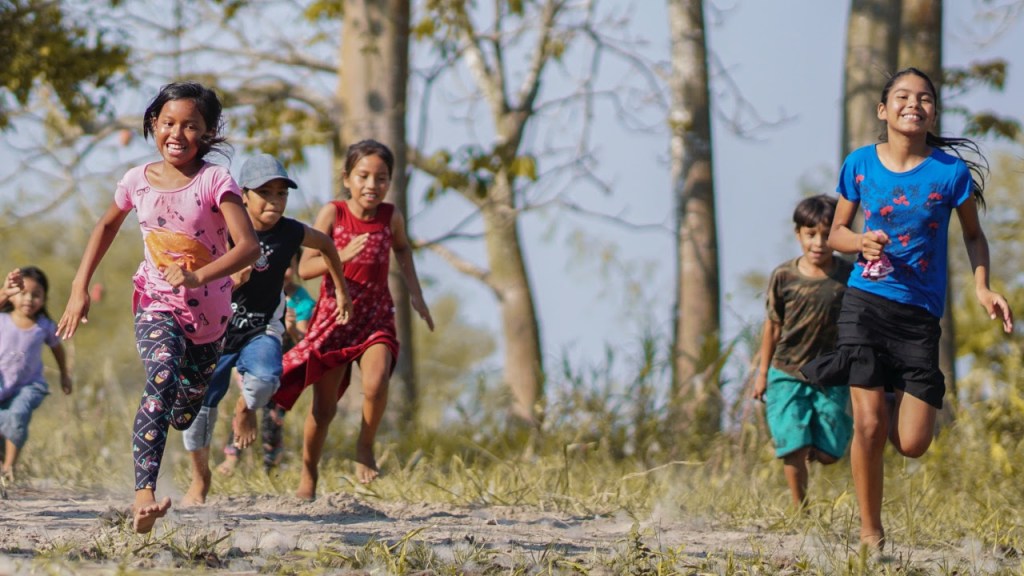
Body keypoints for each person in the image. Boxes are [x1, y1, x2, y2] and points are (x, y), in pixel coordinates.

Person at [800, 67, 1013, 550]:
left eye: (924, 97)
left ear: (934, 112)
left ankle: (889, 390)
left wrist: (983, 288)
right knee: (869, 426)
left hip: (919, 317)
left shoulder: (950, 174)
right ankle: (871, 534)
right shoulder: (859, 164)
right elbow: (836, 234)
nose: (913, 103)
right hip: (866, 304)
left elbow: (974, 237)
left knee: (913, 443)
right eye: (902, 96)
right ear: (883, 109)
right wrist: (860, 241)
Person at [57, 81, 260, 533]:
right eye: (168, 123)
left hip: (209, 318)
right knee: (161, 375)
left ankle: (184, 420)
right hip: (156, 302)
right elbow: (105, 226)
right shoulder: (135, 181)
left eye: (191, 126)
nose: (177, 133)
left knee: (185, 410)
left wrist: (197, 276)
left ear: (207, 133)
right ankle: (144, 497)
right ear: (153, 125)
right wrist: (79, 285)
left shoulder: (215, 181)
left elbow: (247, 248)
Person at [180, 153, 353, 505]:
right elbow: (190, 273)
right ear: (243, 195)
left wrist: (341, 290)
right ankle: (199, 481)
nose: (275, 201)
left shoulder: (290, 232)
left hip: (262, 330)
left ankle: (245, 410)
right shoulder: (221, 228)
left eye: (281, 194)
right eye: (265, 193)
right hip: (214, 334)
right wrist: (230, 279)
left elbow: (327, 245)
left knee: (265, 381)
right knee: (196, 412)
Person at [271, 139, 434, 499]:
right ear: (347, 178)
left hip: (376, 315)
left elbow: (403, 249)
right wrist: (340, 255)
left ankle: (365, 446)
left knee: (376, 385)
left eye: (381, 178)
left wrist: (416, 292)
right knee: (324, 409)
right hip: (336, 318)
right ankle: (308, 474)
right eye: (363, 176)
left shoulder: (391, 216)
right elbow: (308, 267)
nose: (371, 186)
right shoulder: (333, 213)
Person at [751, 195, 853, 509]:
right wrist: (763, 372)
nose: (819, 243)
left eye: (827, 234)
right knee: (792, 445)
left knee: (829, 452)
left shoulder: (849, 277)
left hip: (830, 375)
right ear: (798, 234)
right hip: (787, 371)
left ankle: (812, 444)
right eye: (811, 234)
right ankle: (801, 510)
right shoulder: (784, 277)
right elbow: (773, 326)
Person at [215, 252, 315, 476]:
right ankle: (233, 456)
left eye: (290, 265)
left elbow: (303, 339)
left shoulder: (300, 299)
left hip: (283, 365)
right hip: (251, 360)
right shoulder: (259, 289)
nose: (285, 271)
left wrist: (290, 328)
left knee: (273, 414)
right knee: (247, 403)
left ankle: (271, 463)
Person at [0, 267, 72, 486]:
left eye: (36, 294)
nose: (29, 299)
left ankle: (9, 467)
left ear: (44, 298)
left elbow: (57, 349)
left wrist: (64, 375)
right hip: (3, 384)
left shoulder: (44, 326)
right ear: (12, 295)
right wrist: (4, 291)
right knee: (5, 421)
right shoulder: (2, 319)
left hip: (29, 385)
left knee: (18, 414)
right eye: (23, 293)